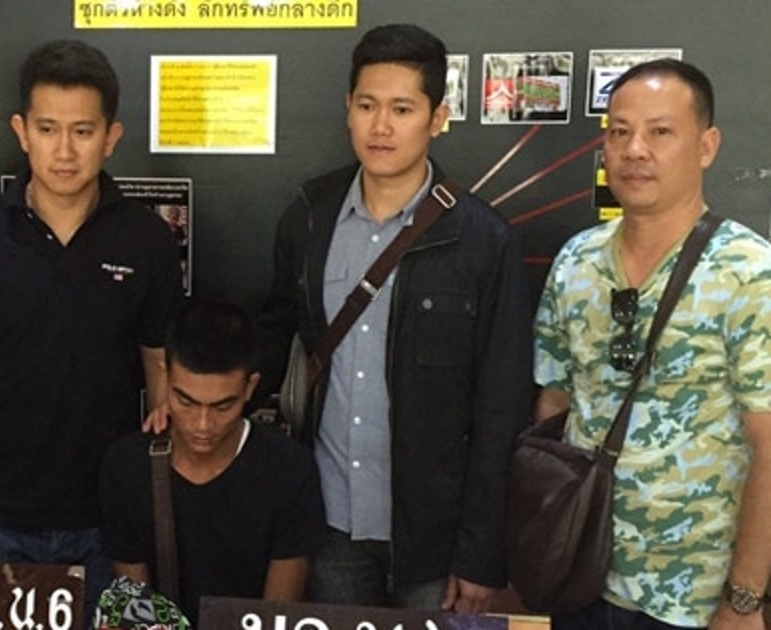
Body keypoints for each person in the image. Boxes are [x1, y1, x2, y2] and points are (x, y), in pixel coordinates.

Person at [254, 24, 531, 611]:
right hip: (329, 523)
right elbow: (274, 337)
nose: (381, 126)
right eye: (367, 105)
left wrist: (481, 552)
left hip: (436, 539)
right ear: (348, 109)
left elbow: (501, 406)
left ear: (437, 118)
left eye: (402, 109)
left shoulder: (482, 239)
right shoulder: (308, 217)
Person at [0, 38, 182, 611]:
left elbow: (160, 366)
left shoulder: (146, 240)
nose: (64, 150)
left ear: (110, 137)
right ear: (21, 131)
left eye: (82, 131)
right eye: (47, 129)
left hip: (109, 521)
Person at [534, 59, 771, 630]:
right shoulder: (576, 262)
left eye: (660, 132)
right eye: (619, 132)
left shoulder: (749, 273)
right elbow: (554, 407)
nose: (635, 150)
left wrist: (744, 600)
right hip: (579, 581)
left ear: (706, 146)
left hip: (695, 601)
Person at [99, 299, 326, 624]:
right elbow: (135, 610)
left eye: (222, 407)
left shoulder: (289, 470)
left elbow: (277, 615)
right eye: (186, 402)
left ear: (250, 387)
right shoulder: (127, 468)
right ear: (165, 376)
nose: (202, 425)